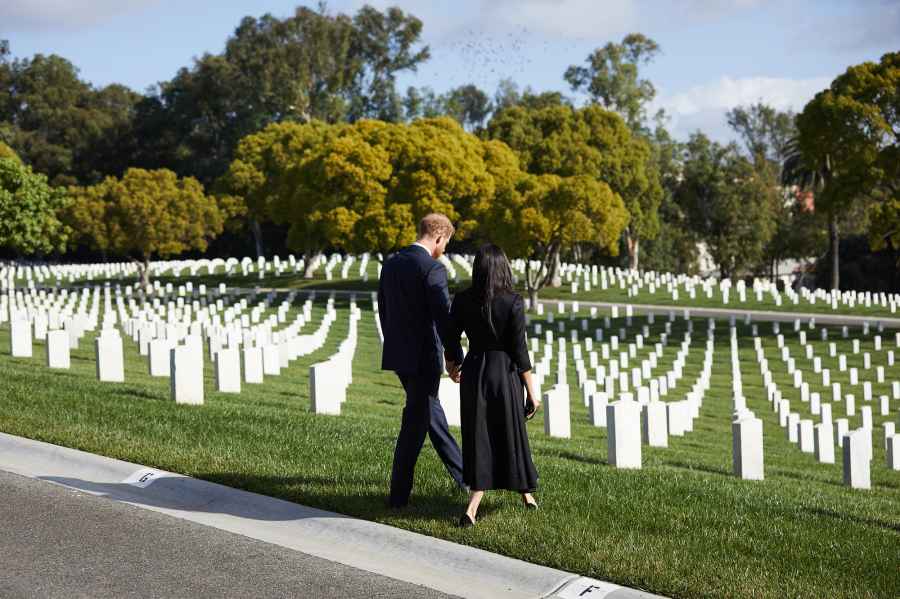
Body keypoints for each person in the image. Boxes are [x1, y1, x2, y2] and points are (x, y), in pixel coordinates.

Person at [378, 213, 467, 508]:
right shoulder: (432, 269)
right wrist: (456, 357)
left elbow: (384, 309)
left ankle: (465, 476)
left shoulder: (391, 264)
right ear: (439, 237)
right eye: (446, 243)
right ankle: (398, 496)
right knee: (414, 425)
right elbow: (443, 317)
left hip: (399, 355)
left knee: (431, 414)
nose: (445, 249)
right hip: (423, 357)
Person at [448, 243, 540, 527]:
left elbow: (450, 336)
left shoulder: (463, 299)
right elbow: (519, 350)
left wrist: (453, 364)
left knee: (479, 436)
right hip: (505, 374)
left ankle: (475, 505)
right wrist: (532, 393)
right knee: (510, 433)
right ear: (504, 268)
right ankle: (524, 492)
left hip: (475, 371)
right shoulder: (512, 302)